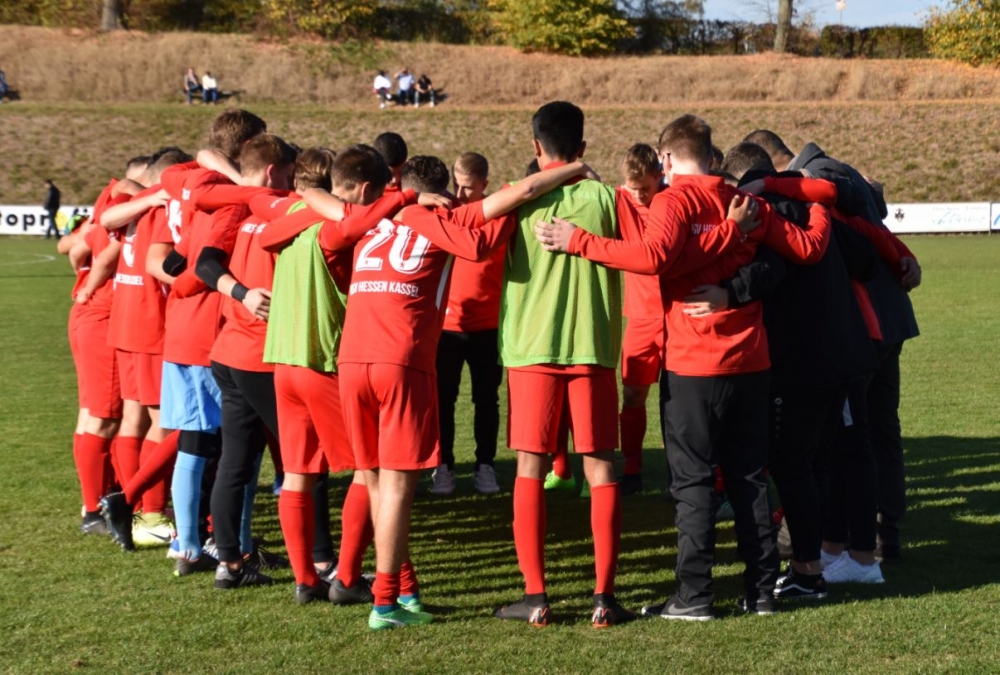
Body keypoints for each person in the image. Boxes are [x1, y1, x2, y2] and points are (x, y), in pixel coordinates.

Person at [535, 113, 832, 620]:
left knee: (693, 483)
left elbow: (655, 258)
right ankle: (761, 592)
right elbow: (807, 248)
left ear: (667, 158)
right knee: (749, 478)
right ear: (711, 156)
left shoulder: (673, 201)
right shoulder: (745, 202)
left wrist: (577, 241)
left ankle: (694, 596)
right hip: (751, 360)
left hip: (694, 363)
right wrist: (821, 205)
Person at [744, 129, 921, 562]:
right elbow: (872, 217)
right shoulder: (838, 170)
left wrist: (765, 185)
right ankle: (879, 535)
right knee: (875, 432)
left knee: (843, 440)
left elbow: (834, 204)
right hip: (883, 321)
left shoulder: (816, 172)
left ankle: (841, 541)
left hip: (863, 325)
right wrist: (903, 254)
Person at [430, 152, 503, 496]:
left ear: (484, 184)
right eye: (456, 186)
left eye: (468, 188)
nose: (460, 194)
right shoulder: (445, 216)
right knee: (443, 399)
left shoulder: (497, 217)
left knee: (486, 400)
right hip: (447, 328)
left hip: (487, 327)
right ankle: (443, 466)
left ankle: (485, 466)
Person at [615, 143, 666, 496]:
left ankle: (689, 473)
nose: (639, 196)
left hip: (677, 317)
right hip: (640, 318)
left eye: (645, 188)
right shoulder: (619, 200)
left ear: (659, 176)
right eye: (633, 189)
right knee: (633, 394)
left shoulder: (673, 201)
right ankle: (631, 468)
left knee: (682, 402)